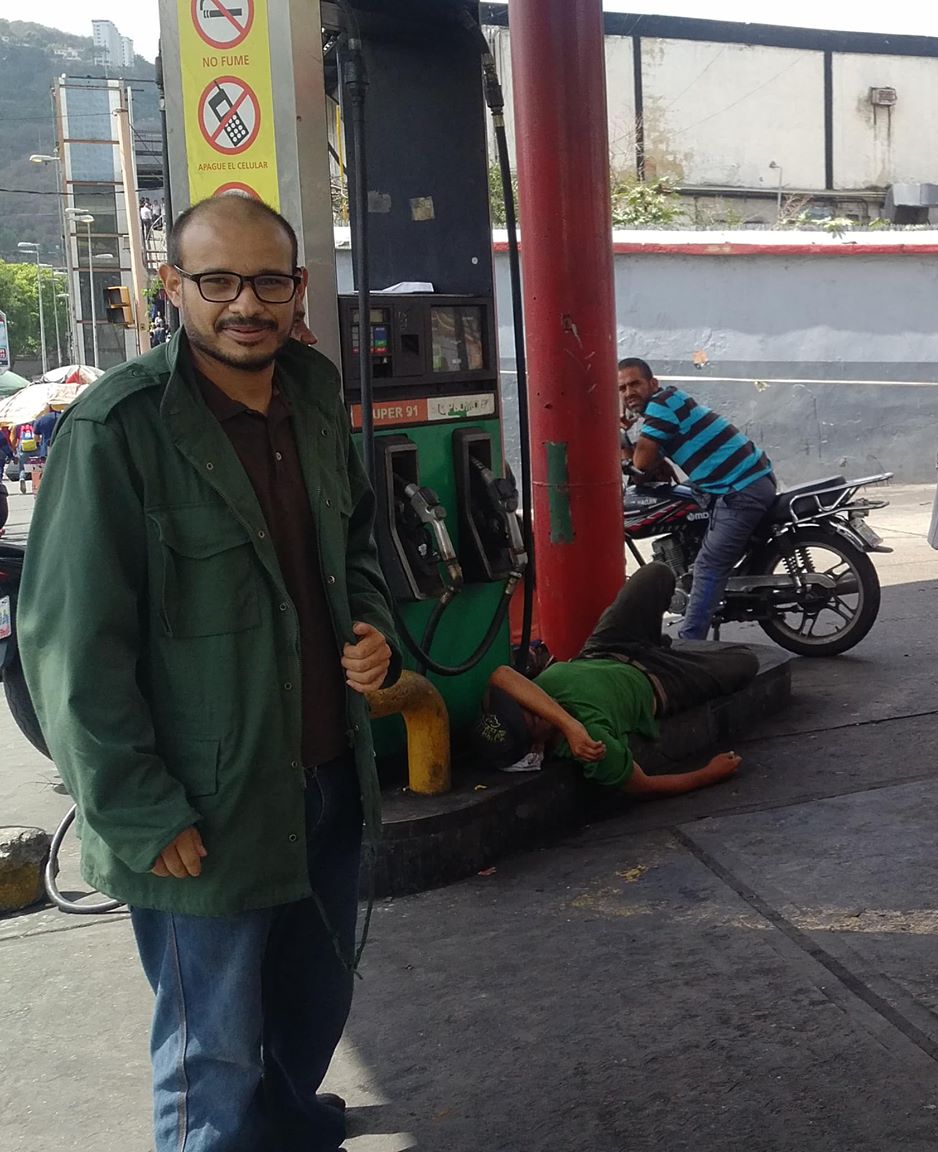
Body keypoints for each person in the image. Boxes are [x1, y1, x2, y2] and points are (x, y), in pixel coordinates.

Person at [20, 193, 401, 1152]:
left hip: (323, 779)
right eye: (218, 280)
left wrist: (370, 623)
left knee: (311, 1007)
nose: (246, 303)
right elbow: (69, 646)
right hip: (201, 805)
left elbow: (354, 542)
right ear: (173, 287)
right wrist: (139, 807)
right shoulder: (118, 431)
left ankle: (289, 1130)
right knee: (211, 1056)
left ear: (299, 286)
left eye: (268, 280)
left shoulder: (313, 395)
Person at [474, 561, 748, 797]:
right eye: (534, 718)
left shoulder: (547, 708)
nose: (536, 706)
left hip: (605, 647)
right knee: (745, 662)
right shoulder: (591, 746)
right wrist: (708, 775)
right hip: (661, 679)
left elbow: (502, 675)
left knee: (657, 574)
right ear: (537, 745)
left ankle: (657, 641)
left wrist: (568, 724)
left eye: (526, 704)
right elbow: (645, 786)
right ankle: (662, 649)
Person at [624, 357, 779, 641]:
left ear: (652, 383)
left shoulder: (661, 404)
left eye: (635, 384)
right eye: (622, 389)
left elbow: (642, 463)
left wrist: (619, 437)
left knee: (708, 567)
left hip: (741, 488)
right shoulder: (667, 404)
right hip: (743, 481)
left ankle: (690, 644)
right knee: (688, 504)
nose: (628, 392)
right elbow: (647, 469)